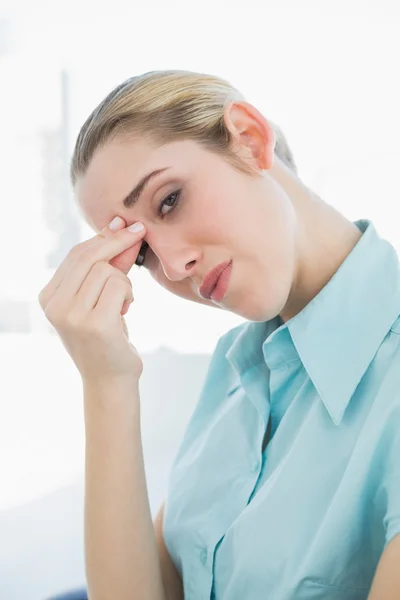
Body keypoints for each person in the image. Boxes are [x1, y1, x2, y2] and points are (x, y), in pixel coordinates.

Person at [39, 70, 400, 600]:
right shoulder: (237, 368)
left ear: (250, 139)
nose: (175, 264)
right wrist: (107, 383)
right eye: (141, 256)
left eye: (169, 201)